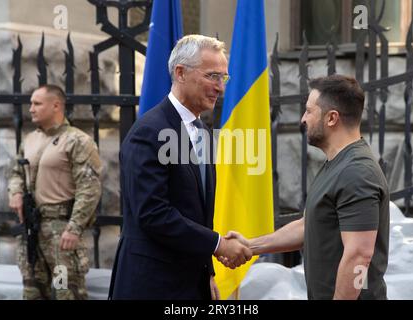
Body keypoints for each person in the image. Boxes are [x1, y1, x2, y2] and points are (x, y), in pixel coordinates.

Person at [108, 34, 252, 300]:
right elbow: (152, 213)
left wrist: (206, 272)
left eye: (224, 78)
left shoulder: (203, 133)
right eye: (212, 76)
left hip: (190, 285)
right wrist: (218, 244)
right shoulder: (149, 131)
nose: (220, 87)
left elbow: (197, 213)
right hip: (152, 286)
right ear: (181, 72)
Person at [223, 75, 390, 300]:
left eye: (309, 111)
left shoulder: (356, 172)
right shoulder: (338, 164)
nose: (303, 119)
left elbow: (359, 256)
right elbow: (308, 226)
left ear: (332, 118)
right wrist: (250, 246)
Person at [8, 84, 102, 299]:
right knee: (32, 291)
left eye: (37, 103)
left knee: (64, 290)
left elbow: (89, 187)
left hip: (61, 234)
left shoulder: (78, 141)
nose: (31, 108)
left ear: (56, 105)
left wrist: (75, 227)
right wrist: (15, 193)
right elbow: (16, 173)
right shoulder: (30, 139)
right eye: (31, 103)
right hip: (32, 231)